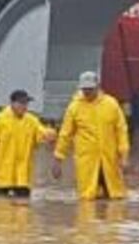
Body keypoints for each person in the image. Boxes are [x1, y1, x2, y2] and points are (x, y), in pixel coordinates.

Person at [53, 71, 130, 201]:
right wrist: (58, 159)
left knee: (115, 197)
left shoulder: (111, 104)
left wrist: (124, 156)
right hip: (86, 161)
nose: (87, 92)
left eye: (90, 89)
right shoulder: (74, 107)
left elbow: (121, 131)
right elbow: (65, 135)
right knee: (87, 199)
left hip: (109, 160)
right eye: (84, 89)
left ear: (98, 86)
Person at [0, 90, 56, 199]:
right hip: (2, 178)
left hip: (22, 179)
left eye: (26, 103)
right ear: (13, 103)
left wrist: (50, 134)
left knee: (22, 211)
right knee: (1, 210)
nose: (24, 106)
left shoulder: (31, 120)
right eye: (22, 103)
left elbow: (41, 133)